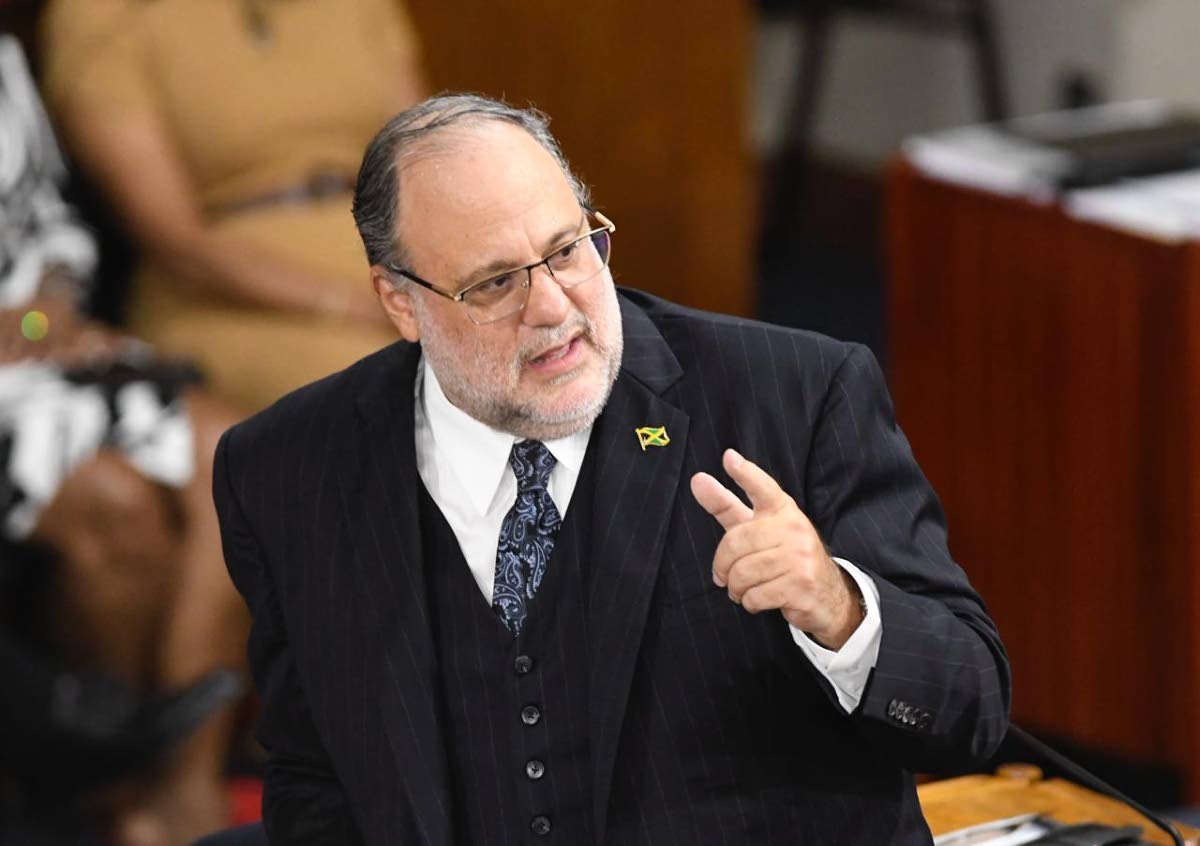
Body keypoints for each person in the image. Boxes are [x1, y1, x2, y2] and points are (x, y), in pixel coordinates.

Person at [213, 94, 1011, 845]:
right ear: (399, 302)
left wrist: (841, 612)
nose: (555, 307)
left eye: (568, 250)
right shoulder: (288, 472)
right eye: (495, 282)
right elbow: (314, 783)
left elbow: (970, 706)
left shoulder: (795, 397)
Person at [0, 34, 247, 846]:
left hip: (40, 353)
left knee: (237, 452)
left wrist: (46, 309)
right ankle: (127, 805)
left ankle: (180, 788)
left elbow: (48, 224)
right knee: (120, 506)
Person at [39, 0, 426, 413]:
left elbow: (425, 168)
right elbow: (179, 243)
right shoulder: (106, 16)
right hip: (226, 302)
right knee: (394, 388)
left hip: (388, 263)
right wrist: (350, 304)